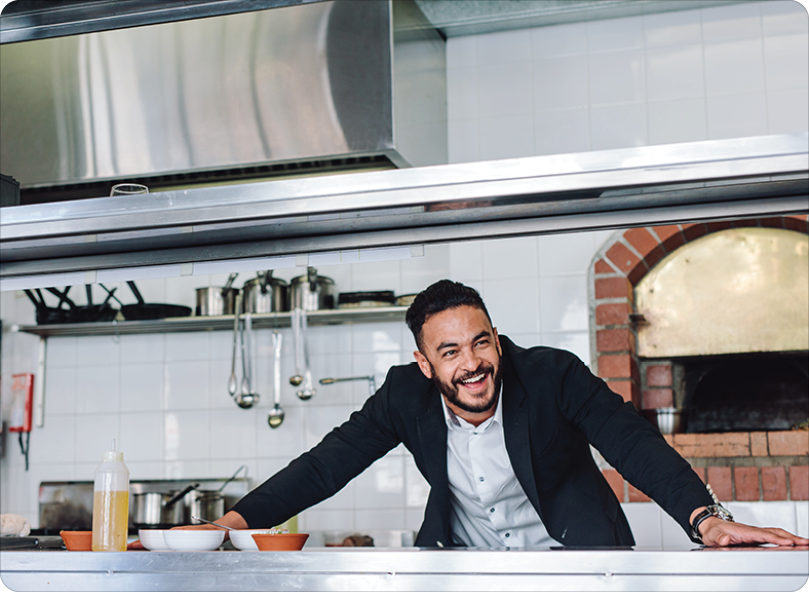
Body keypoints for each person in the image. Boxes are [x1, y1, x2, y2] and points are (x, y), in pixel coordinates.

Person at [178, 280, 808, 548]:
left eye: (481, 343)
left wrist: (708, 518)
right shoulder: (403, 395)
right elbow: (323, 468)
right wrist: (232, 521)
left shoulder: (552, 374)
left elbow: (632, 443)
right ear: (425, 364)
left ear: (497, 340)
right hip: (463, 569)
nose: (472, 364)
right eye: (449, 352)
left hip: (575, 563)